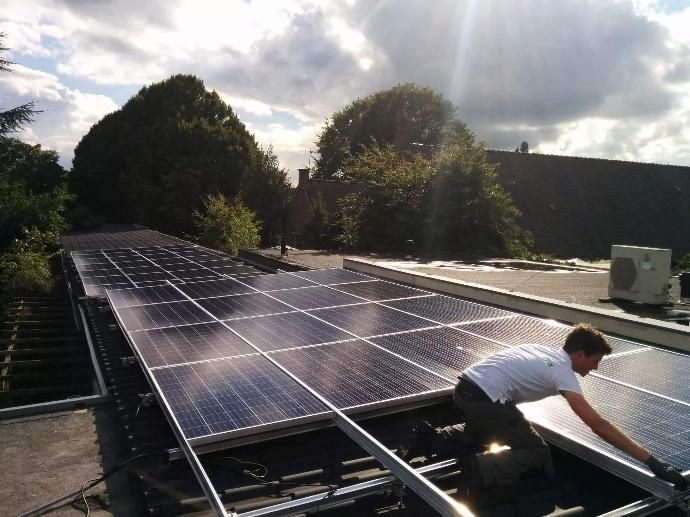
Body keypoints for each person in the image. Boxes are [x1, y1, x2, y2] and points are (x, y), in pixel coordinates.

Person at [397, 323, 688, 492]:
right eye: (595, 360)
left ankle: (430, 438)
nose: (596, 367)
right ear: (579, 354)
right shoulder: (562, 372)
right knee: (536, 450)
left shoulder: (544, 351)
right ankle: (475, 470)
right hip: (486, 398)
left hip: (465, 389)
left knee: (486, 429)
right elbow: (597, 425)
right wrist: (652, 461)